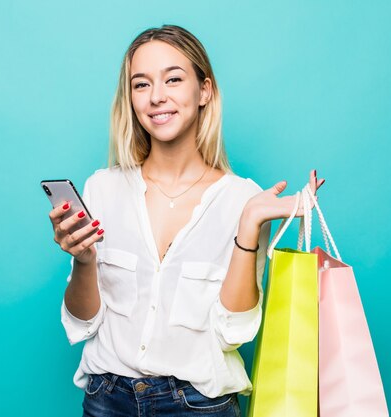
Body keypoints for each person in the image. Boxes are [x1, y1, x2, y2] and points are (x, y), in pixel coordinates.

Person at [48, 24, 325, 417]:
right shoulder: (102, 189)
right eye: (141, 84)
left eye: (173, 79)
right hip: (106, 399)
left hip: (198, 406)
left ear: (204, 91)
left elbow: (235, 332)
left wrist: (249, 225)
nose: (157, 97)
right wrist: (84, 259)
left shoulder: (242, 198)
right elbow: (83, 323)